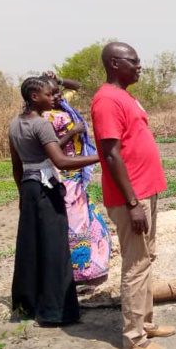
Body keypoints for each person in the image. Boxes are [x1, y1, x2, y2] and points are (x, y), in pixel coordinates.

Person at [91, 42, 173, 349]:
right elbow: (111, 155)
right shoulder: (107, 101)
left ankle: (145, 322)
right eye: (133, 61)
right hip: (132, 198)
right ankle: (134, 338)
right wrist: (133, 203)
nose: (139, 66)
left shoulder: (125, 96)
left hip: (145, 190)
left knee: (146, 258)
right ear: (114, 63)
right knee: (136, 264)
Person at [8, 77, 99, 326]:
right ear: (35, 97)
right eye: (49, 94)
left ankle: (27, 304)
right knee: (55, 249)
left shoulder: (15, 124)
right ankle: (56, 311)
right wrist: (99, 158)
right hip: (47, 188)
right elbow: (60, 161)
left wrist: (22, 194)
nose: (53, 98)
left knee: (31, 245)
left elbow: (17, 166)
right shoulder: (41, 124)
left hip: (29, 187)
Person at [41, 71, 112, 285]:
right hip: (65, 172)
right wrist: (72, 133)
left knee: (89, 220)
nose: (58, 96)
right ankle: (79, 273)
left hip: (76, 173)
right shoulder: (44, 118)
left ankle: (90, 267)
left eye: (58, 92)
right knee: (75, 221)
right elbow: (51, 150)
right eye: (52, 93)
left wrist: (60, 79)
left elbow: (77, 85)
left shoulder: (62, 106)